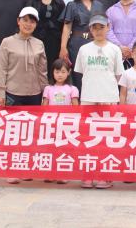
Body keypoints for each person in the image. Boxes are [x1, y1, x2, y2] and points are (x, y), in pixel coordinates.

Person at [74, 13, 124, 189]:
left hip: (108, 98)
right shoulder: (84, 49)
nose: (98, 30)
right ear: (90, 29)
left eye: (101, 27)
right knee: (87, 137)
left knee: (106, 138)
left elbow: (118, 75)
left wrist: (107, 93)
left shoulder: (115, 49)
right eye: (94, 27)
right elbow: (81, 72)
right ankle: (87, 174)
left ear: (108, 27)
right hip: (88, 97)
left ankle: (105, 174)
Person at [0, 6, 48, 107]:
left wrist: (45, 93)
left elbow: (42, 71)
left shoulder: (39, 44)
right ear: (18, 21)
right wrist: (0, 93)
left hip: (35, 93)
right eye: (25, 20)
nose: (28, 24)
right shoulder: (7, 42)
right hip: (12, 92)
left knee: (34, 118)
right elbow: (1, 69)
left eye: (32, 22)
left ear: (36, 25)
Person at [59, 0, 105, 91]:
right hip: (76, 45)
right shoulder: (72, 5)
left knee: (95, 72)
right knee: (78, 74)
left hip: (96, 43)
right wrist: (63, 47)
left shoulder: (99, 5)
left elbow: (104, 26)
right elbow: (67, 27)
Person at [41, 57, 79, 185]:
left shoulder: (72, 89)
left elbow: (76, 106)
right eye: (57, 72)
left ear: (68, 72)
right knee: (50, 148)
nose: (60, 75)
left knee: (64, 149)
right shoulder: (48, 89)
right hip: (51, 124)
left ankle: (63, 173)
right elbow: (44, 105)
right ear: (52, 72)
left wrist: (75, 121)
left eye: (63, 72)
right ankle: (50, 173)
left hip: (66, 124)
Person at [26, 0, 66, 81]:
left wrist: (63, 47)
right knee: (35, 70)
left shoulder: (59, 2)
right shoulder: (31, 2)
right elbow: (26, 23)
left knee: (54, 71)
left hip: (55, 43)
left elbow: (64, 25)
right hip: (35, 41)